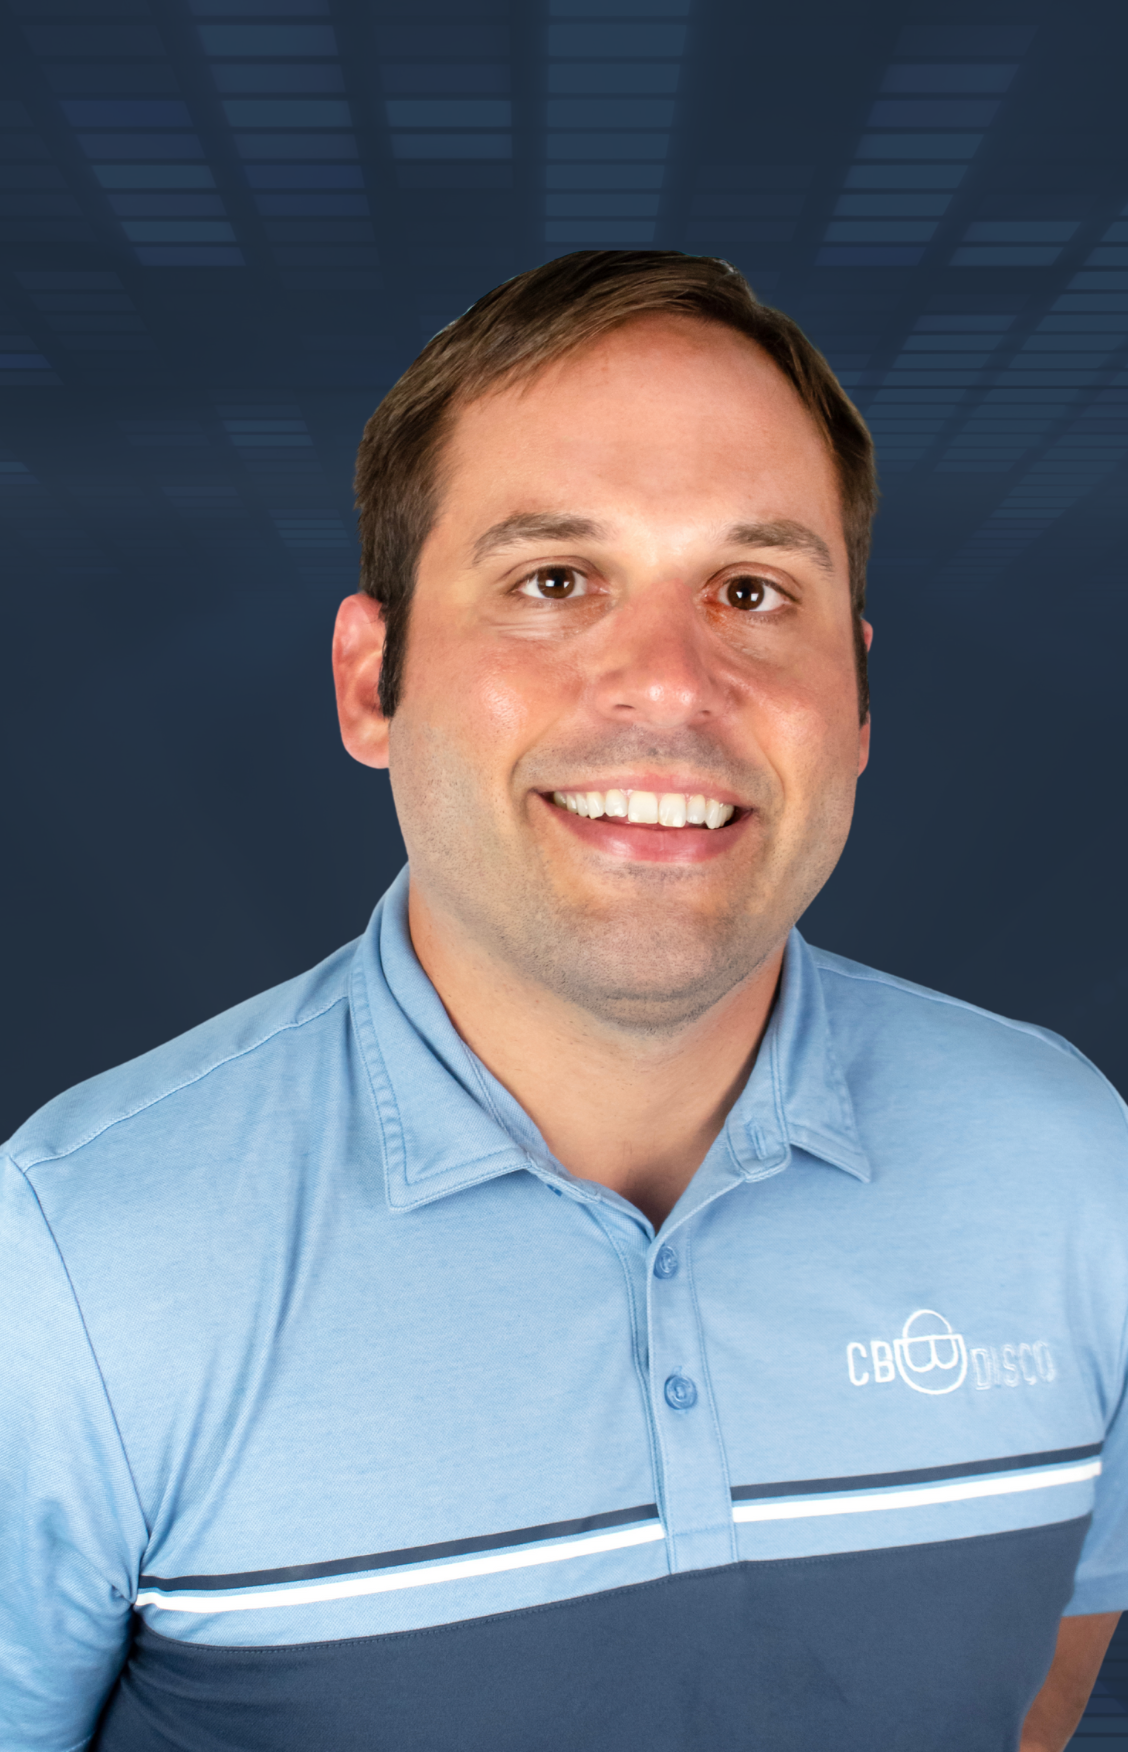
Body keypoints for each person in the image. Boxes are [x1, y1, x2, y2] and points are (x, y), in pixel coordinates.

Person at [2, 251, 1125, 1752]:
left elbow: (1036, 1685)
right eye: (553, 580)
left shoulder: (1073, 1167)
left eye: (751, 588)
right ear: (370, 683)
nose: (668, 683)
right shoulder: (66, 1269)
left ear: (856, 705)